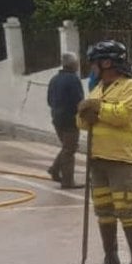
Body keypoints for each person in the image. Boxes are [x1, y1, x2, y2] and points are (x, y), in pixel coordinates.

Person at [77, 40, 132, 264]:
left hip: (120, 158)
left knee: (125, 207)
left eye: (96, 62)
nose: (94, 67)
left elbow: (123, 116)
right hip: (97, 158)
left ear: (107, 62)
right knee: (103, 209)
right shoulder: (97, 89)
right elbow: (83, 123)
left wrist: (97, 109)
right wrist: (83, 113)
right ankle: (111, 259)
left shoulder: (130, 88)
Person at [46, 52, 84, 188]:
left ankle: (55, 169)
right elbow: (79, 101)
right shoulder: (73, 79)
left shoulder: (54, 79)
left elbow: (49, 100)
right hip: (70, 120)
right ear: (73, 64)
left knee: (67, 148)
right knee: (69, 150)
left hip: (57, 118)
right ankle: (67, 181)